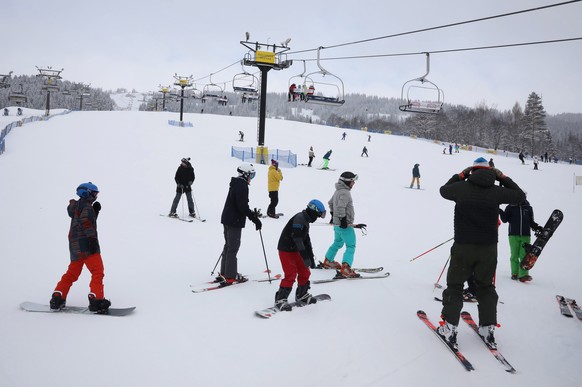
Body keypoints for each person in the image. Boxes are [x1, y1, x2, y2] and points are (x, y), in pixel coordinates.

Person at [437, 157, 525, 350]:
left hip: (463, 246)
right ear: (491, 173)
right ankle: (487, 328)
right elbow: (519, 196)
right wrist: (502, 177)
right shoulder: (496, 192)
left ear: (472, 171)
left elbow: (444, 190)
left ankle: (450, 327)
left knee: (455, 286)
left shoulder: (461, 188)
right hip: (488, 248)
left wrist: (460, 175)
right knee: (485, 287)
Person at [50, 182, 111, 313]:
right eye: (94, 193)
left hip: (75, 246)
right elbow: (86, 222)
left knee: (72, 273)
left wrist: (95, 212)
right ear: (87, 192)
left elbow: (82, 220)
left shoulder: (77, 206)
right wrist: (92, 240)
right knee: (97, 271)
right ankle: (96, 300)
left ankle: (58, 296)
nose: (96, 196)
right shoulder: (87, 206)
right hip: (87, 245)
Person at [274, 200, 327, 311]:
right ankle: (280, 299)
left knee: (305, 271)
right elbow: (297, 239)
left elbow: (306, 240)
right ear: (313, 211)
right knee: (291, 274)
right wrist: (305, 257)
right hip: (286, 250)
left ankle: (301, 295)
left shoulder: (305, 220)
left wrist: (310, 258)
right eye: (317, 215)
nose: (316, 218)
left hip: (295, 249)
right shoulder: (300, 219)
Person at [219, 163, 262, 285]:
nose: (251, 178)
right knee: (233, 247)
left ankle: (224, 272)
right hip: (234, 221)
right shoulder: (242, 186)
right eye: (251, 175)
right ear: (245, 174)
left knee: (228, 246)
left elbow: (239, 204)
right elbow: (242, 206)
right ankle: (230, 276)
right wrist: (254, 218)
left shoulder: (235, 183)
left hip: (227, 219)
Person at [323, 171, 361, 278]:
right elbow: (340, 207)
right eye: (353, 181)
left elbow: (331, 203)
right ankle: (345, 268)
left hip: (336, 225)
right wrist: (343, 220)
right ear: (347, 182)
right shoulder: (345, 192)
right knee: (351, 246)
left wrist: (333, 216)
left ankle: (328, 260)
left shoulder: (338, 191)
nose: (354, 183)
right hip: (345, 226)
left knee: (338, 242)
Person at [499, 198, 542, 282]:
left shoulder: (528, 208)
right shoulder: (510, 207)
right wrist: (500, 211)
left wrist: (537, 228)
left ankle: (523, 275)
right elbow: (504, 220)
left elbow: (531, 222)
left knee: (524, 255)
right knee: (514, 254)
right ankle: (515, 273)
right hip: (513, 235)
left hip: (526, 235)